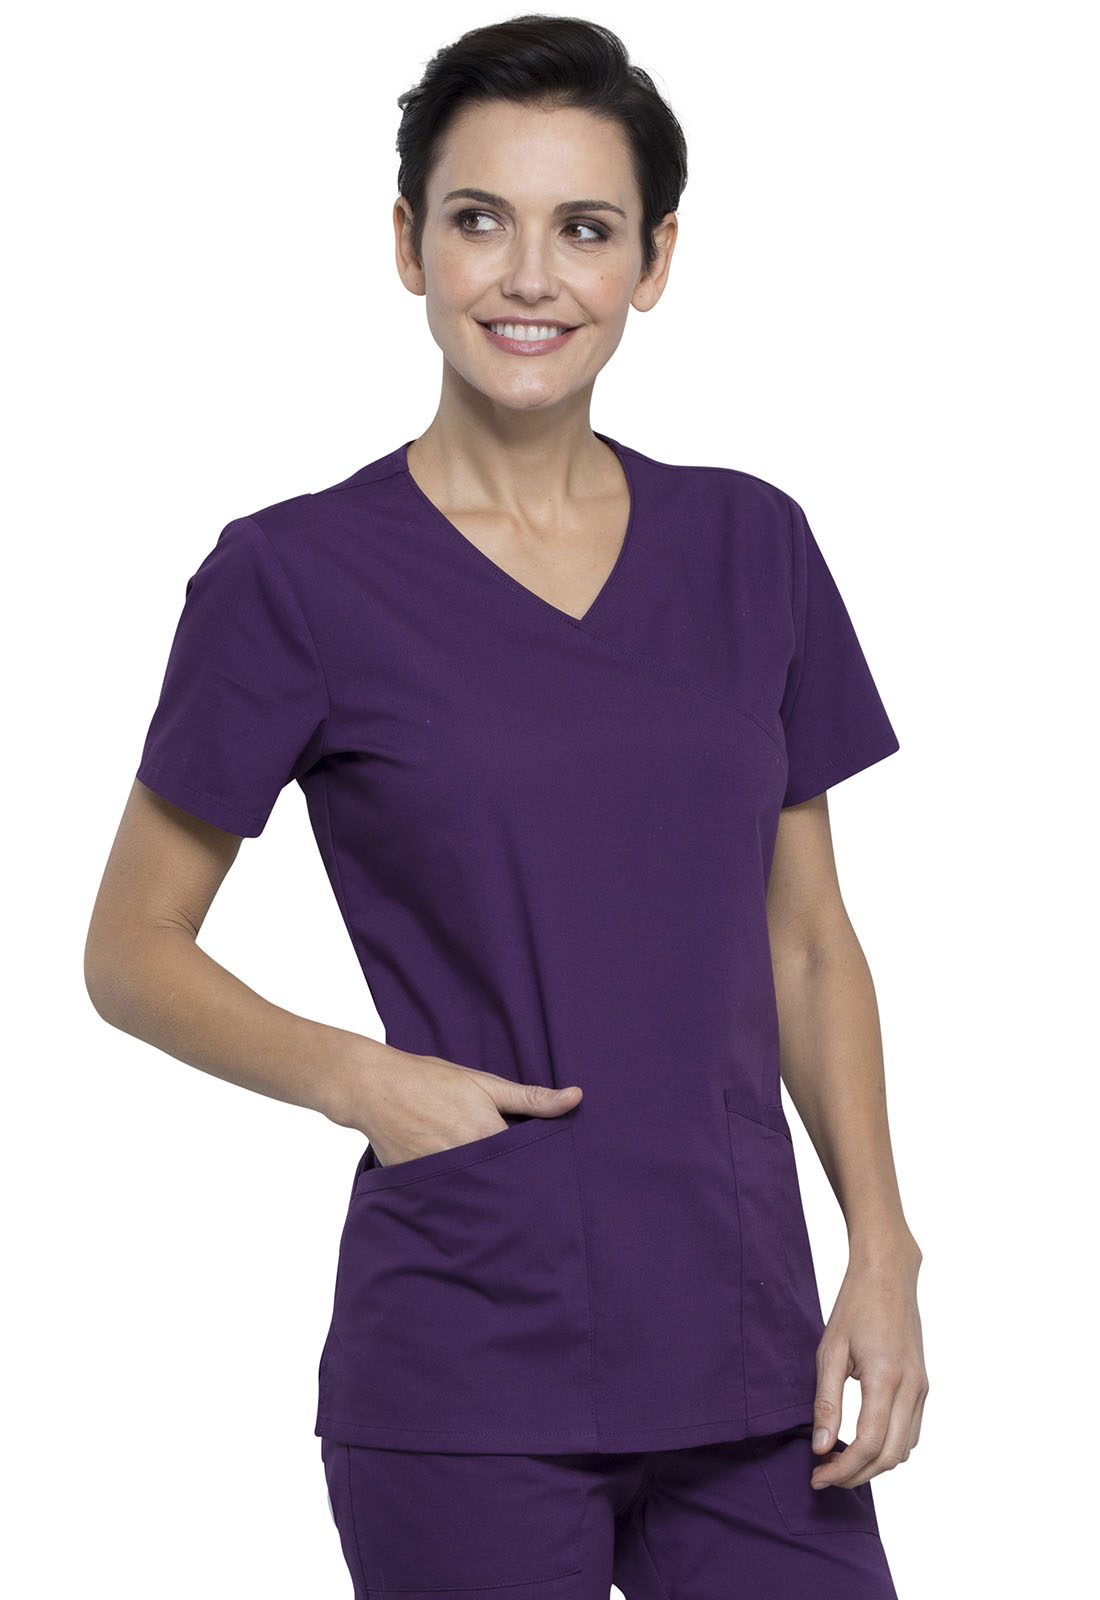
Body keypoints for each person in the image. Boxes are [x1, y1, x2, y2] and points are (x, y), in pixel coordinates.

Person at [84, 13, 927, 1598]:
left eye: (586, 229)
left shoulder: (751, 546)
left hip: (748, 1345)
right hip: (466, 1358)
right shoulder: (292, 578)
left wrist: (881, 1248)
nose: (531, 277)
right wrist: (363, 1082)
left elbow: (810, 942)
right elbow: (131, 949)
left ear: (655, 261)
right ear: (409, 242)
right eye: (481, 220)